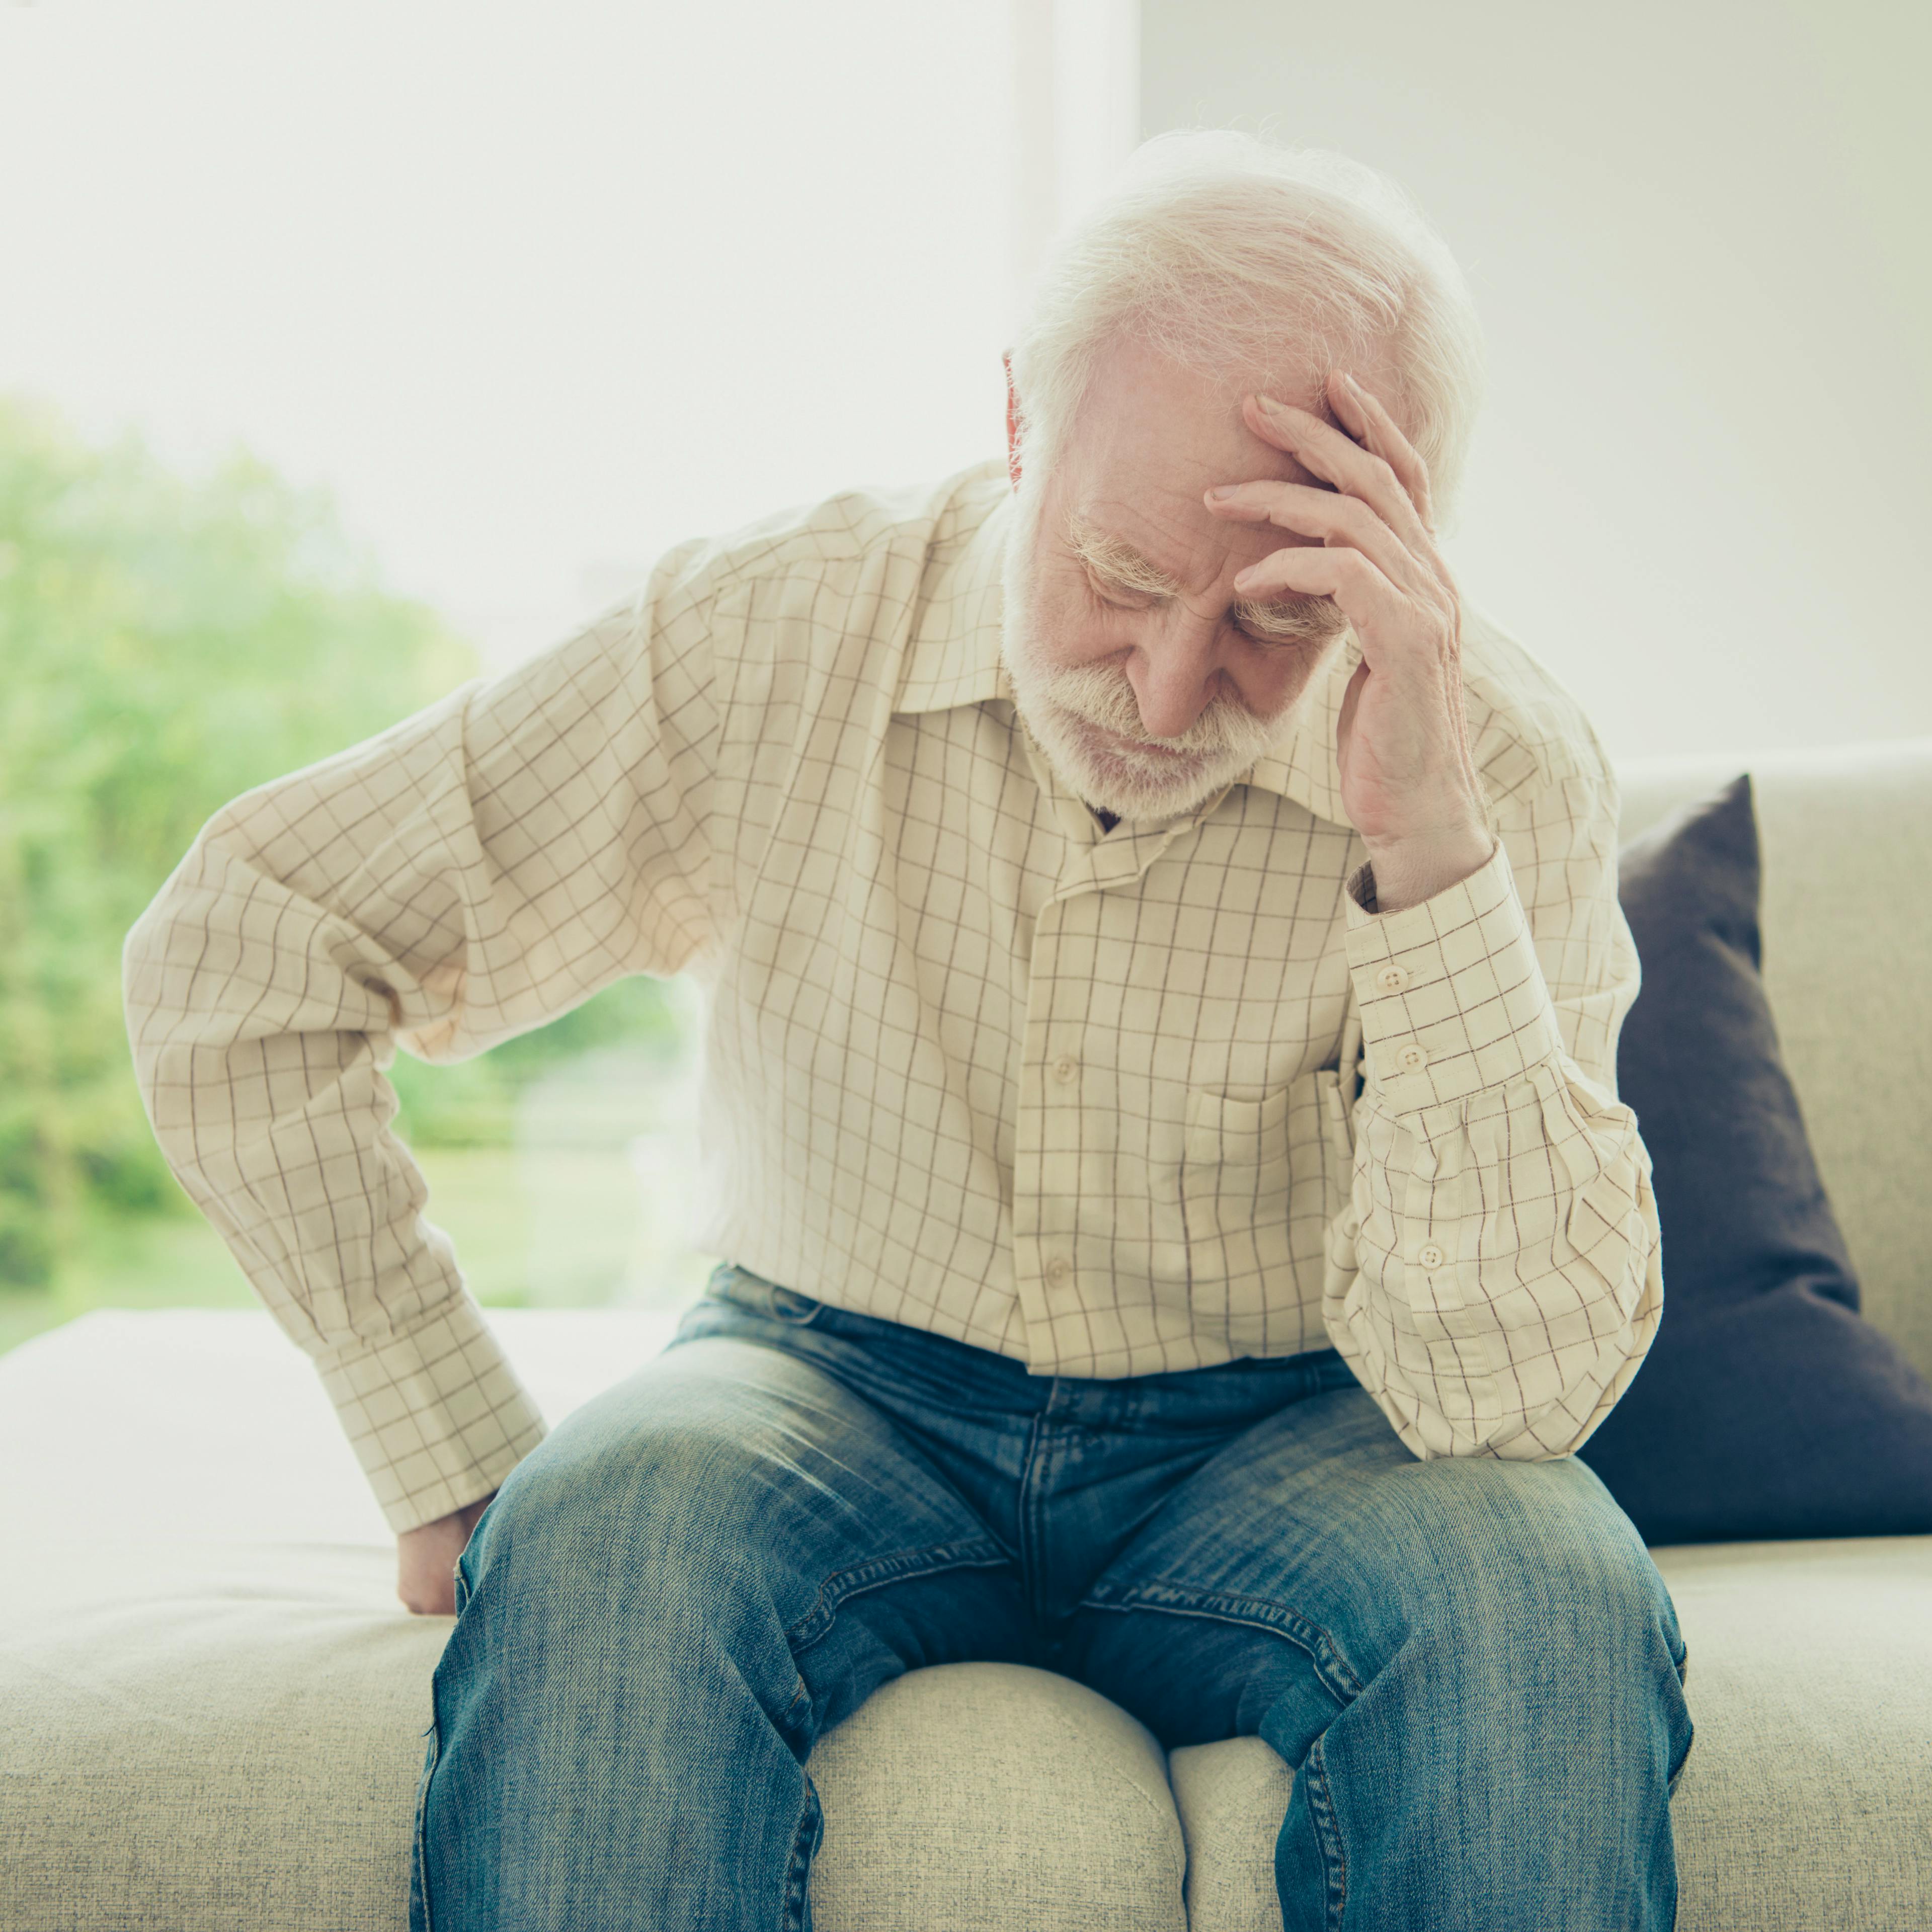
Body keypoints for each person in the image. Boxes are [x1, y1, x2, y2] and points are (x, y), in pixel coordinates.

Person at [125, 129, 1693, 1932]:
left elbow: (1508, 1400)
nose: (1173, 694)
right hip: (824, 1376)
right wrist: (442, 1440)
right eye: (1118, 573)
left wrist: (1426, 846)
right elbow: (249, 942)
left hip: (1300, 1430)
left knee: (1546, 1593)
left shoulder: (1498, 762)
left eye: (1275, 616)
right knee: (602, 1528)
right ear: (1020, 427)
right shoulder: (766, 634)